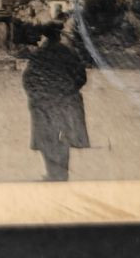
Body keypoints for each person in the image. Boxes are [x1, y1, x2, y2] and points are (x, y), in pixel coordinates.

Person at [20, 20, 90, 181]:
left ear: (45, 36)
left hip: (44, 102)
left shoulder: (39, 54)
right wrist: (69, 90)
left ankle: (52, 172)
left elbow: (28, 78)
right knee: (63, 137)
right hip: (65, 101)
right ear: (59, 35)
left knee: (46, 137)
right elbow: (81, 77)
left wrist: (35, 95)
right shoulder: (69, 52)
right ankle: (62, 173)